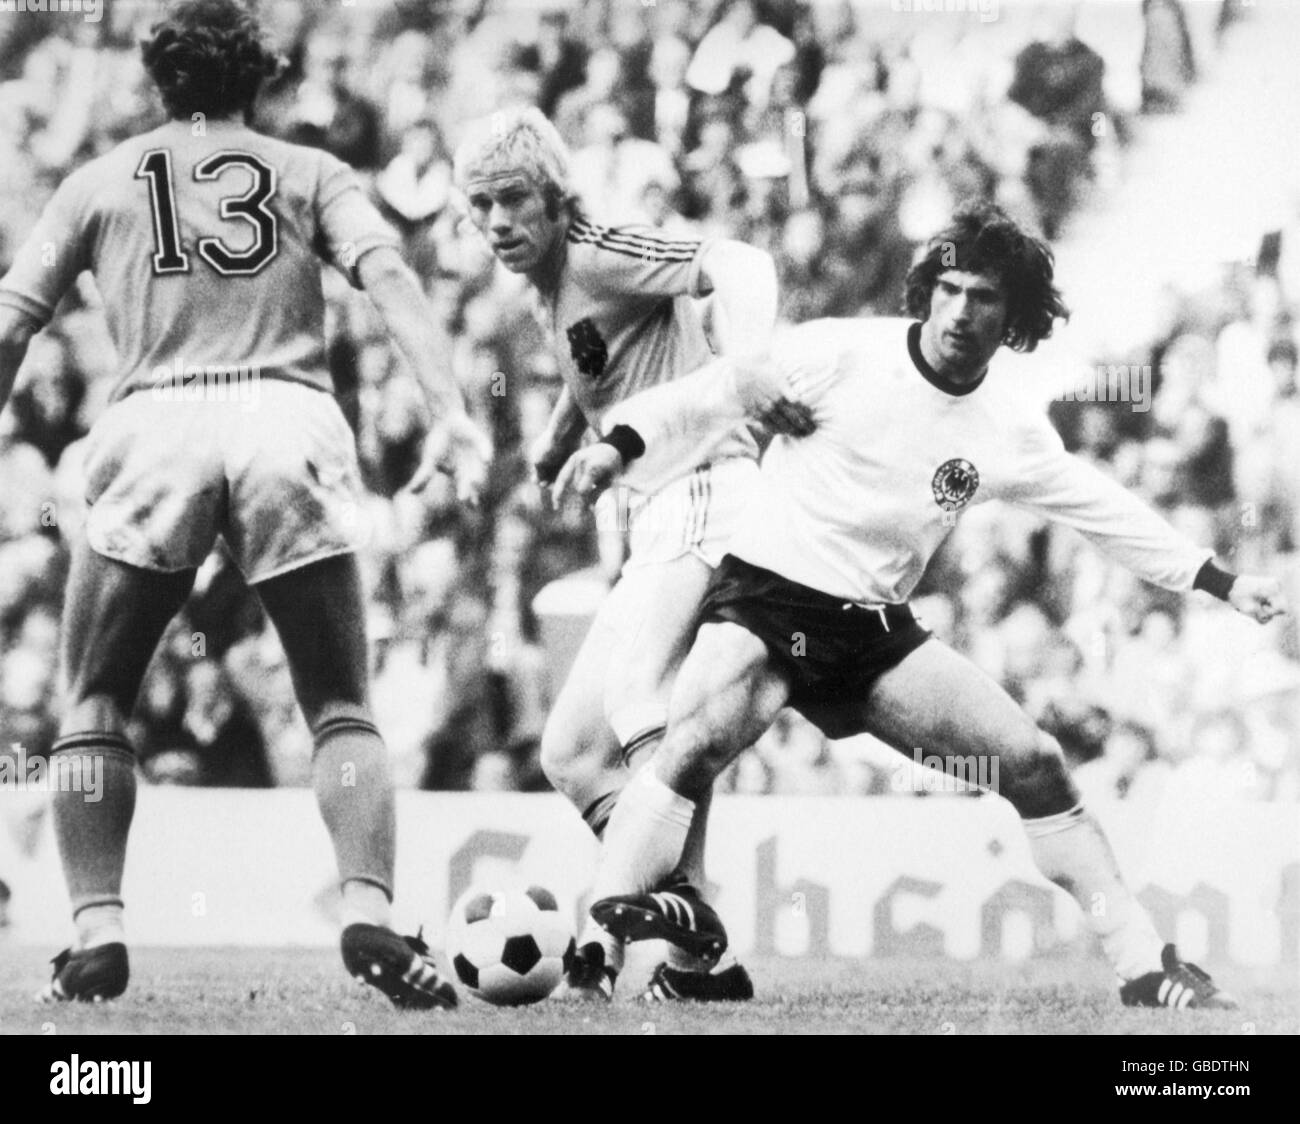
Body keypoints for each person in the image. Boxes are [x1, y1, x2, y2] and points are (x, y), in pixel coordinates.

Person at [559, 201, 1287, 1008]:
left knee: (1036, 764)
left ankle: (1144, 966)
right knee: (691, 744)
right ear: (925, 291)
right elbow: (710, 394)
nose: (961, 312)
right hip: (765, 603)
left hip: (870, 639)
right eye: (949, 288)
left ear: (1014, 318)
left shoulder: (1005, 428)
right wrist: (613, 447)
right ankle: (592, 952)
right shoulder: (840, 352)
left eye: (984, 298)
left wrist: (1219, 581)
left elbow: (1104, 510)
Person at [0, 0, 491, 1008]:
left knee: (94, 695)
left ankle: (97, 927)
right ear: (258, 78)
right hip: (287, 414)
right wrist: (448, 410)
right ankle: (364, 905)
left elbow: (12, 321)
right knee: (340, 701)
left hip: (157, 417)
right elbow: (389, 276)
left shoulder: (99, 180)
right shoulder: (312, 172)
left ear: (159, 81)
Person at [452, 105, 807, 1001]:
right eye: (481, 206)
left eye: (513, 200)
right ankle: (697, 951)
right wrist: (561, 431)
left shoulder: (596, 248)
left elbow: (737, 262)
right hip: (654, 515)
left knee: (640, 702)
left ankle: (622, 932)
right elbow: (608, 359)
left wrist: (750, 364)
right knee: (572, 750)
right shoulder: (546, 285)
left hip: (704, 492)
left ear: (554, 197)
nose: (498, 222)